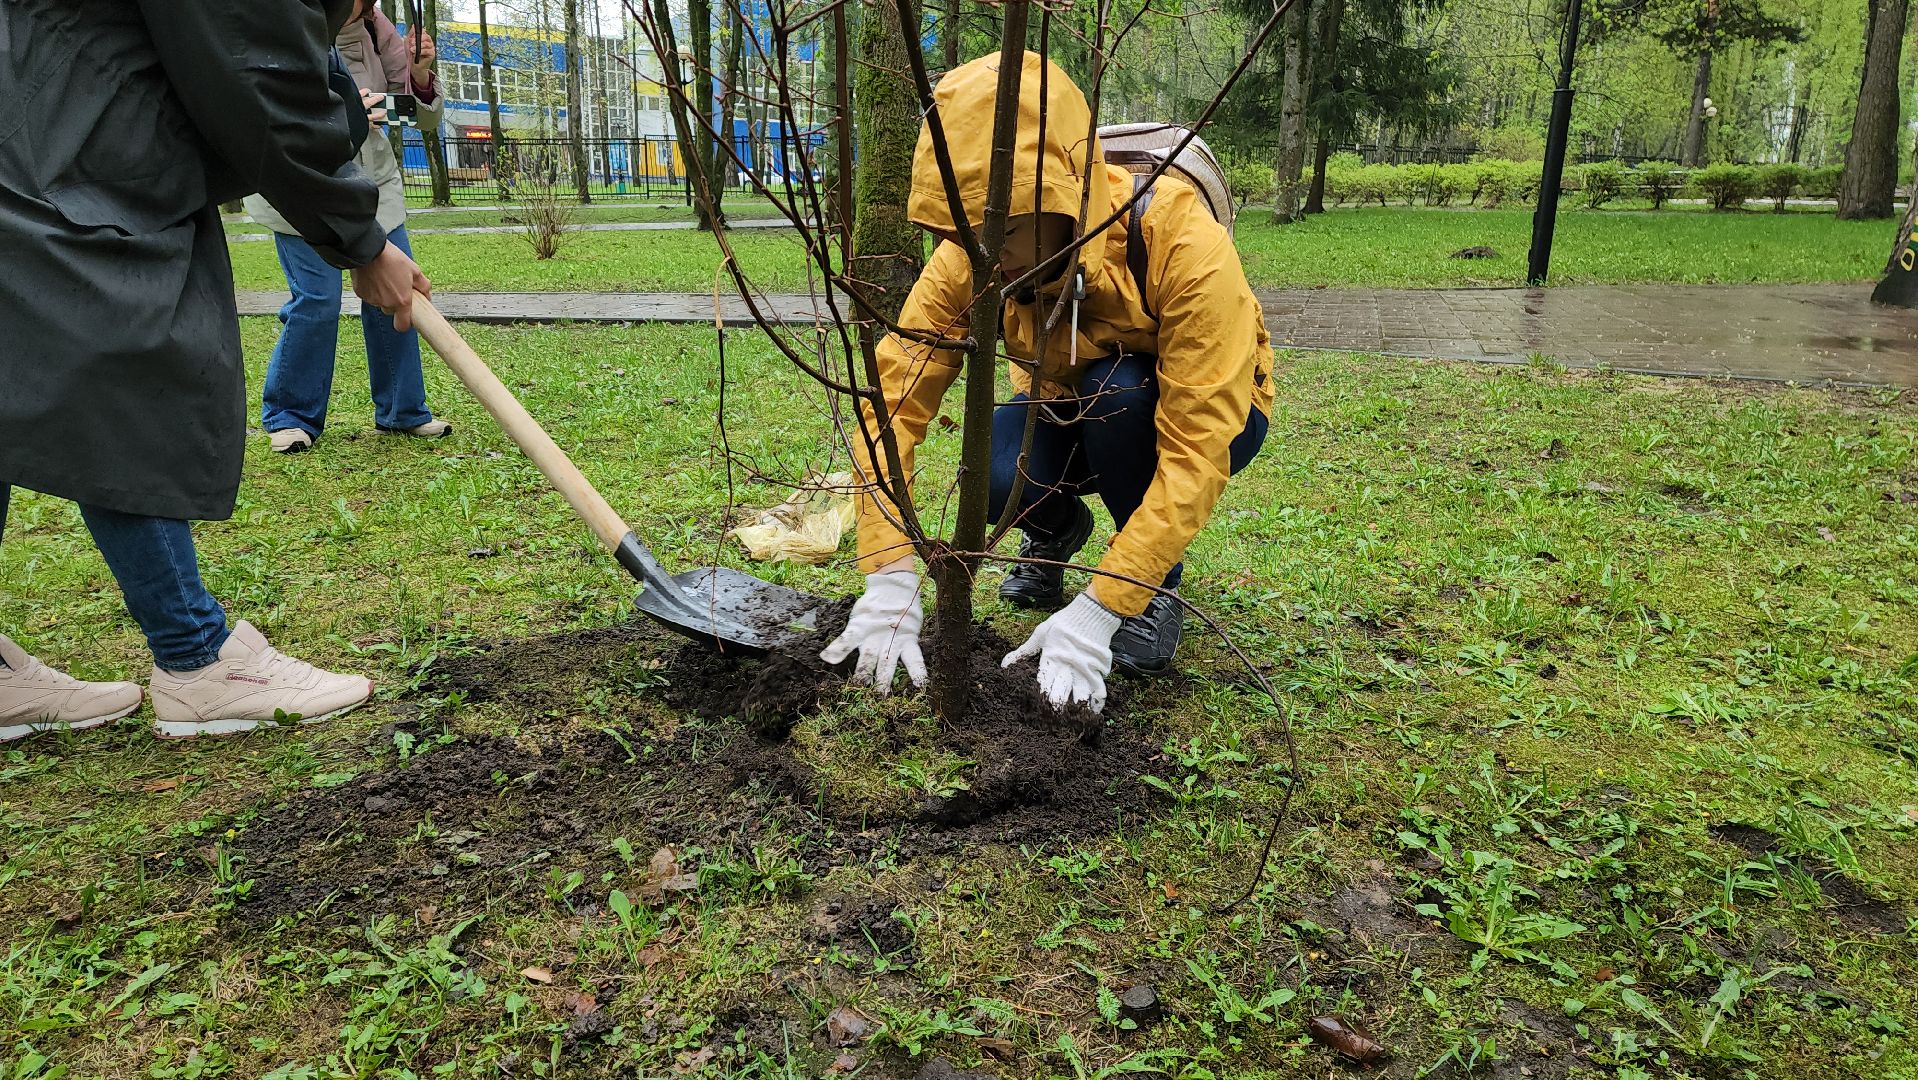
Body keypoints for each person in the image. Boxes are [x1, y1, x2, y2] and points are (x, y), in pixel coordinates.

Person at [0, 0, 431, 742]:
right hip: (63, 155)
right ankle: (198, 661)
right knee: (125, 372)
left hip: (46, 127)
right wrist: (362, 240)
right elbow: (253, 74)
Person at [821, 52, 1273, 714]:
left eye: (1002, 228)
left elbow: (1197, 447)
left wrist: (1104, 606)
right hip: (1061, 403)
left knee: (1119, 393)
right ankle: (1057, 533)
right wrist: (888, 571)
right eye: (965, 229)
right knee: (998, 469)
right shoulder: (972, 259)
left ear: (1063, 195)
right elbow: (894, 401)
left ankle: (1153, 592)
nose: (983, 253)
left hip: (1198, 414)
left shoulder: (1180, 239)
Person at [246, 0, 451, 454]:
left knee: (399, 294)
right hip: (300, 185)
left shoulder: (380, 31)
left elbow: (424, 118)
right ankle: (291, 417)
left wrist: (420, 75)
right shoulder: (282, 21)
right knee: (317, 298)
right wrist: (344, 111)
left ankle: (402, 411)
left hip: (374, 184)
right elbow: (260, 105)